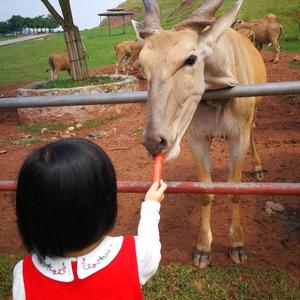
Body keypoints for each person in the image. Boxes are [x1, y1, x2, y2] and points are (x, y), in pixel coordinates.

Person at [13, 138, 167, 300]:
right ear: (105, 204)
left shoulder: (24, 275)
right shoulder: (134, 256)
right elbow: (151, 244)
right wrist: (151, 205)